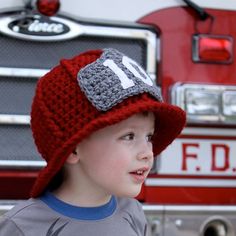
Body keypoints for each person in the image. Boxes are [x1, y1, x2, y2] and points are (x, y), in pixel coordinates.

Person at [0, 48, 186, 235]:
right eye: (129, 136)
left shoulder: (132, 213)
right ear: (73, 149)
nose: (147, 153)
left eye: (149, 137)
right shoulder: (22, 228)